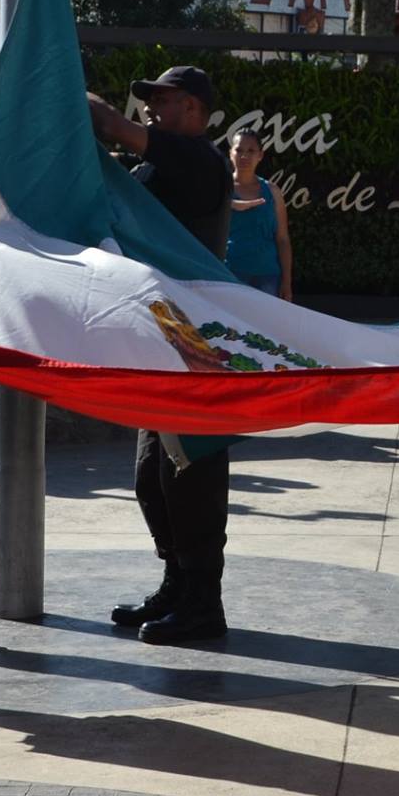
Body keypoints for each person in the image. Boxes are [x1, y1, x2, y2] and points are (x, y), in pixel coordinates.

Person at [87, 66, 235, 645]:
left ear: (196, 111)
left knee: (190, 471)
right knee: (153, 473)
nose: (151, 107)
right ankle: (177, 584)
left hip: (194, 345)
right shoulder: (154, 167)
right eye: (147, 98)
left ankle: (204, 601)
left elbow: (105, 122)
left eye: (165, 100)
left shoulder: (200, 161)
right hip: (160, 335)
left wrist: (59, 81)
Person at [224, 128, 292, 299]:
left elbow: (282, 239)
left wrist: (286, 282)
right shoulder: (221, 188)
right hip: (229, 274)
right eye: (239, 150)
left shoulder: (272, 191)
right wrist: (230, 204)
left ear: (260, 155)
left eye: (251, 151)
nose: (244, 156)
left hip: (267, 276)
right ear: (230, 153)